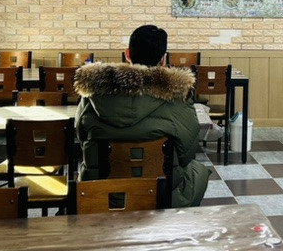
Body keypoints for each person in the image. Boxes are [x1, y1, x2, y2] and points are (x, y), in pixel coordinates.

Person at [74, 25, 209, 207]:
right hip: (161, 196)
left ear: (127, 54)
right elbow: (187, 154)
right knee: (197, 170)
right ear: (163, 59)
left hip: (101, 195)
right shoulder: (178, 97)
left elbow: (81, 137)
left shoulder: (92, 93)